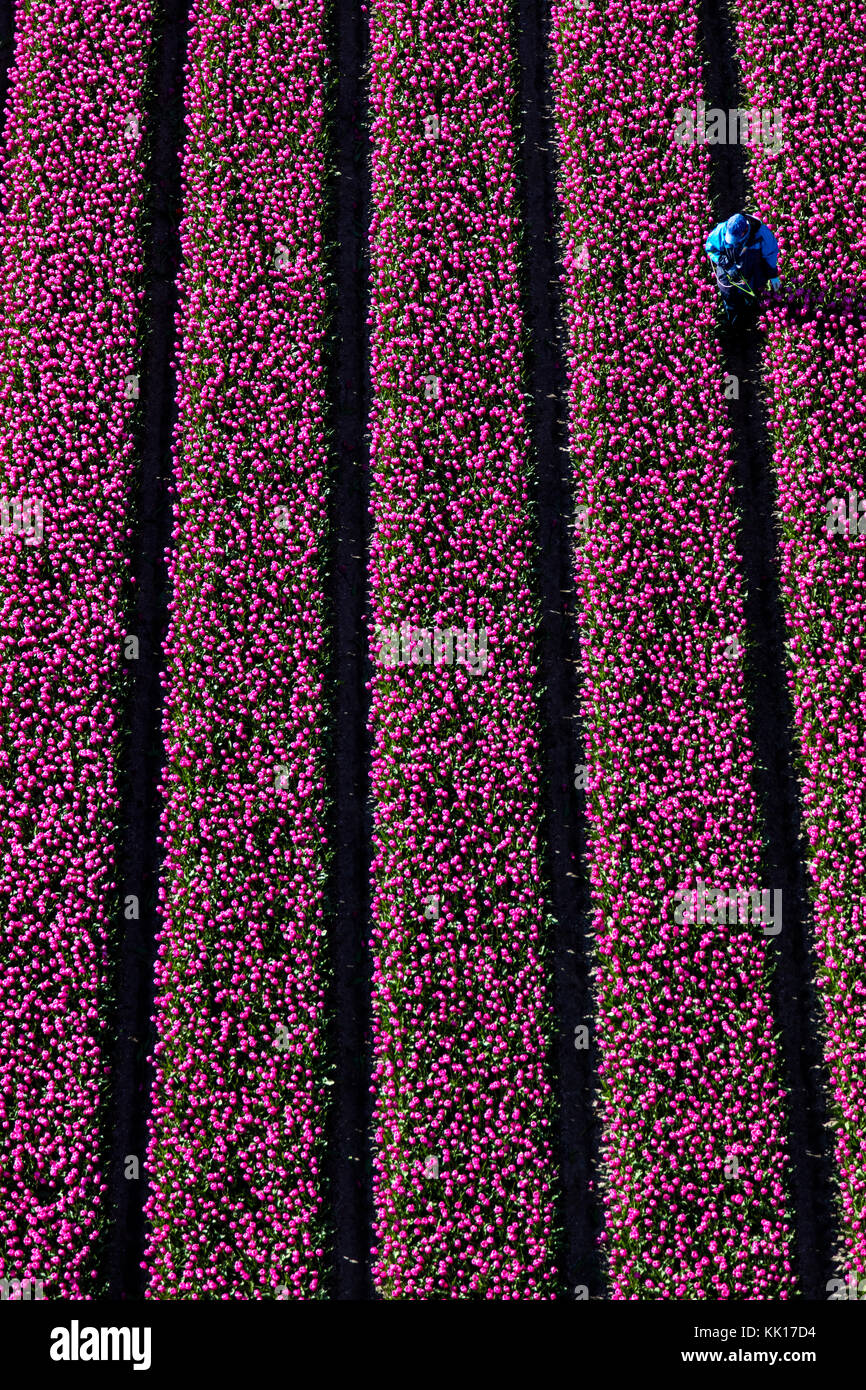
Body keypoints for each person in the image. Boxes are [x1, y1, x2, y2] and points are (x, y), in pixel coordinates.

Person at [705, 212, 780, 325]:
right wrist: (727, 264)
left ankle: (750, 315)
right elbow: (711, 249)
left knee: (752, 292)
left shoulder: (761, 234)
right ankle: (733, 320)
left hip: (752, 270)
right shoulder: (722, 230)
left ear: (745, 230)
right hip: (728, 271)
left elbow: (770, 255)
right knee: (729, 295)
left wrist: (773, 275)